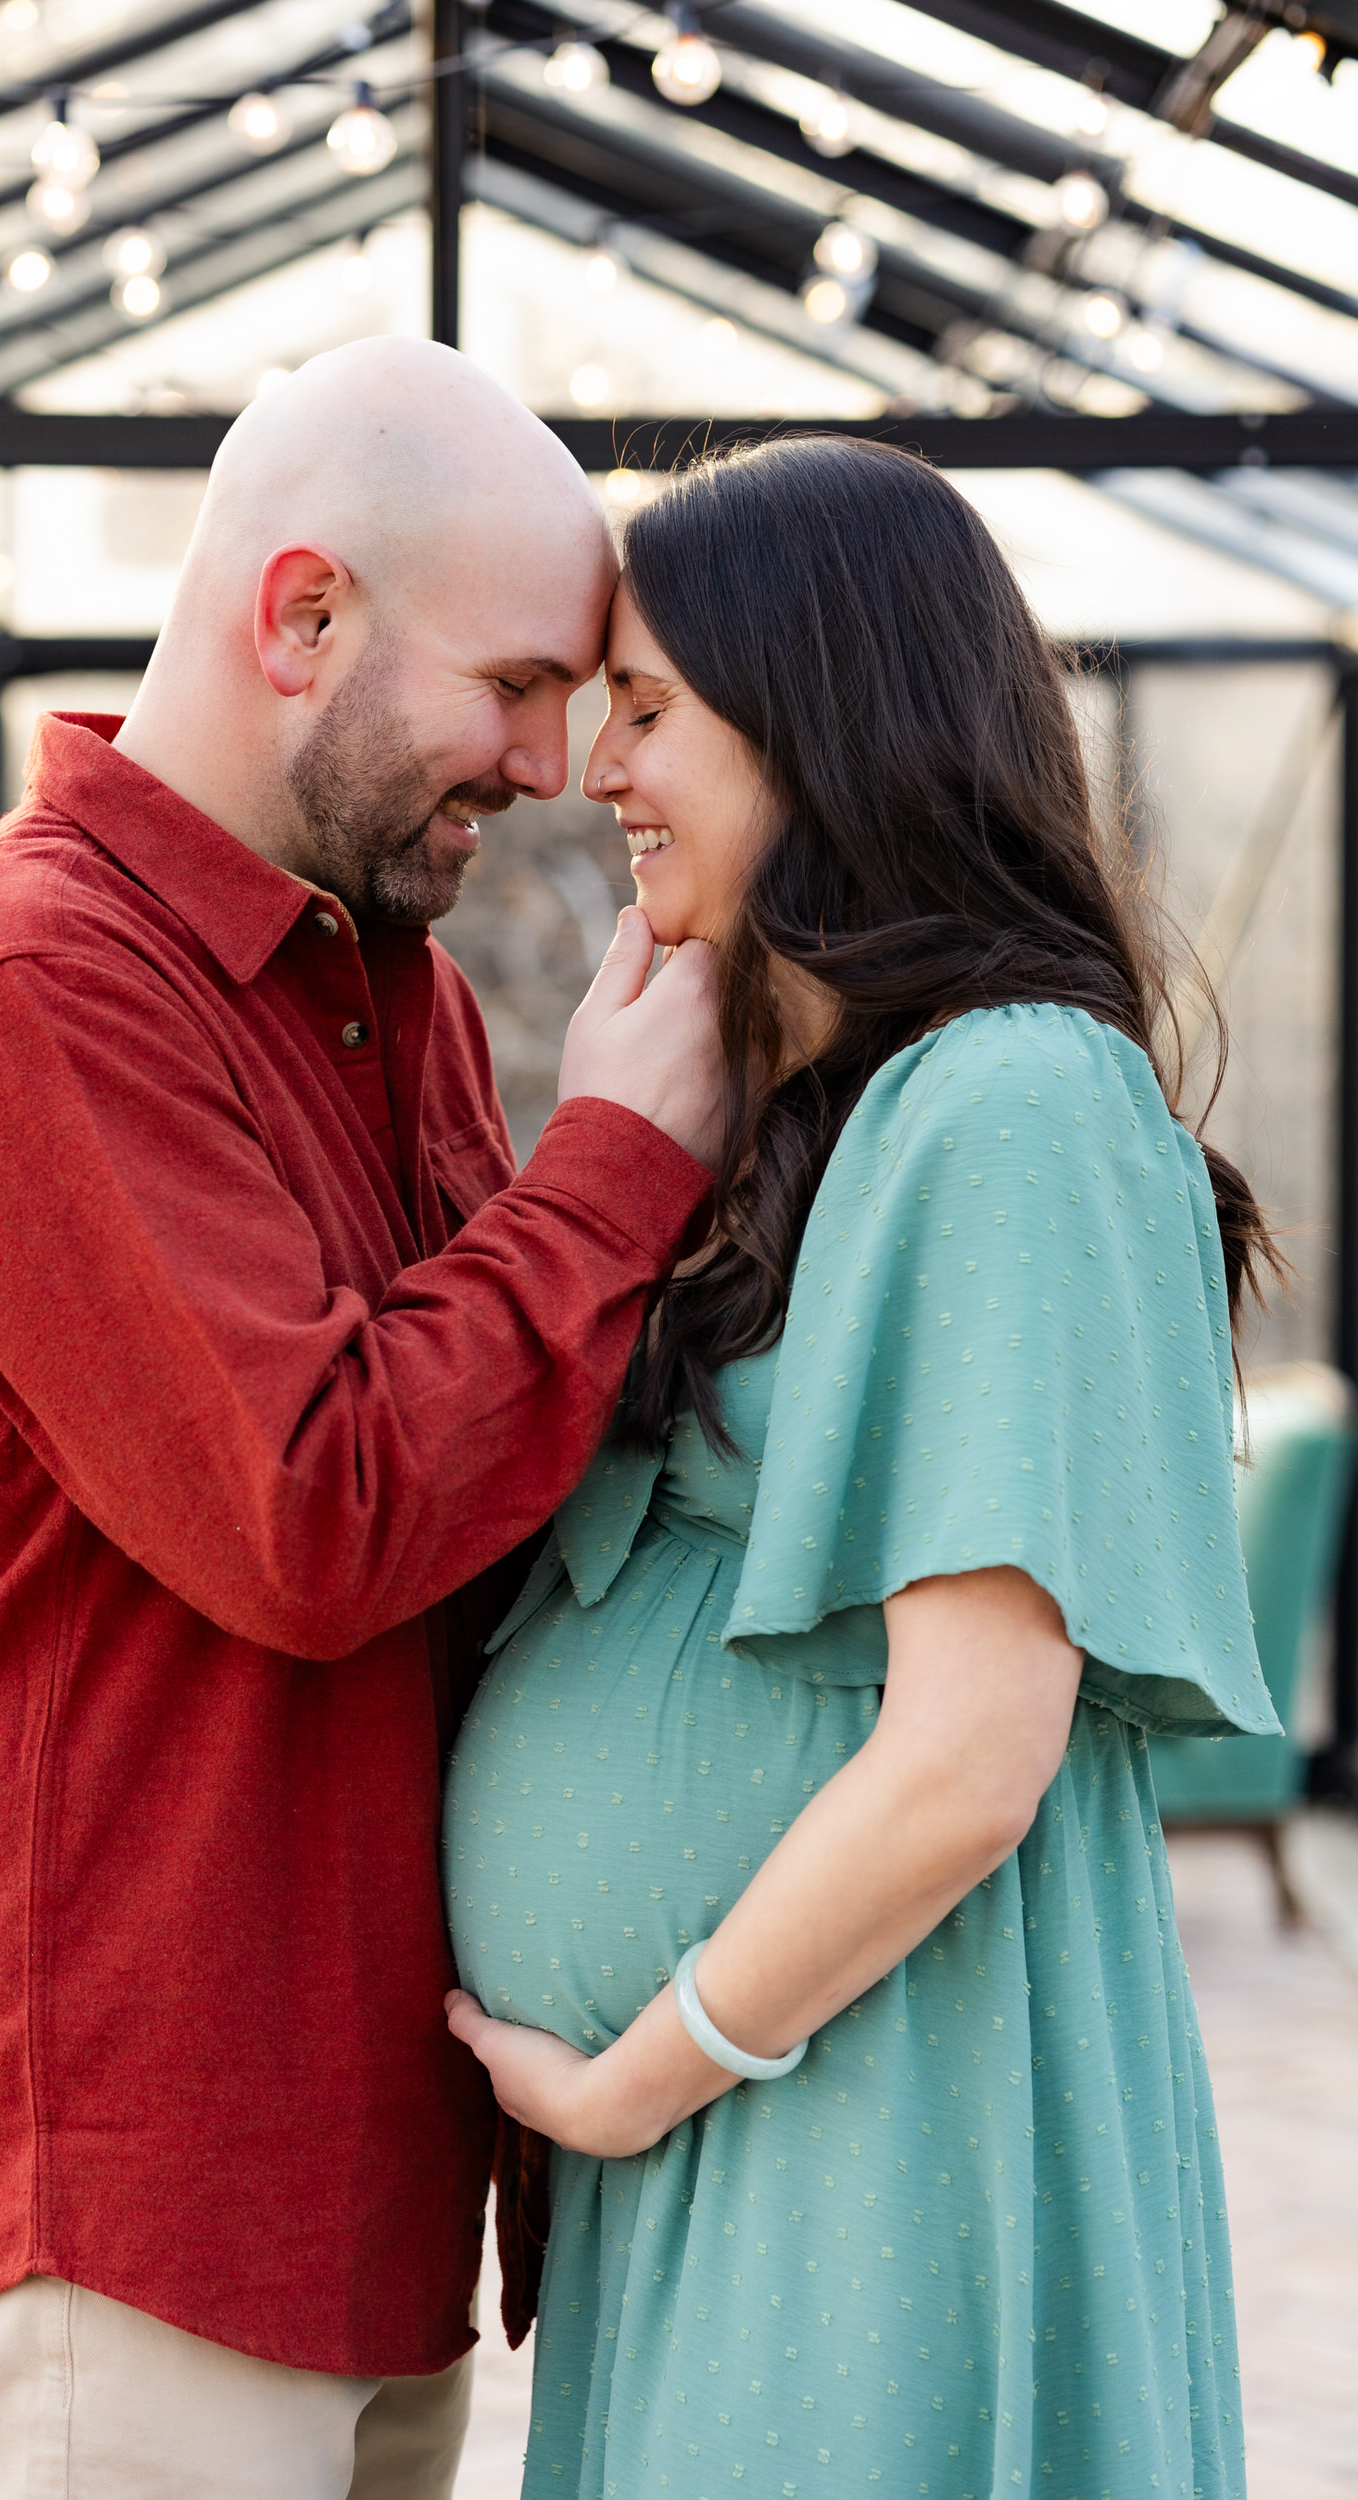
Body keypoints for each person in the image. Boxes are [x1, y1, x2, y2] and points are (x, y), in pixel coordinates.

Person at [0, 338, 726, 2500]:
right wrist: (608, 1159)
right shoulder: (17, 985)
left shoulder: (376, 981)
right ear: (301, 616)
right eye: (515, 682)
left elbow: (504, 1465)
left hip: (355, 2180)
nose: (555, 756)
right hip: (125, 2202)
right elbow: (314, 1508)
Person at [444, 437, 1281, 2500]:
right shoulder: (830, 1107)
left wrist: (635, 2079)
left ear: (823, 710)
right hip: (753, 2094)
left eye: (646, 706)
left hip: (876, 2096)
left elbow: (967, 1754)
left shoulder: (1012, 1096)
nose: (591, 766)